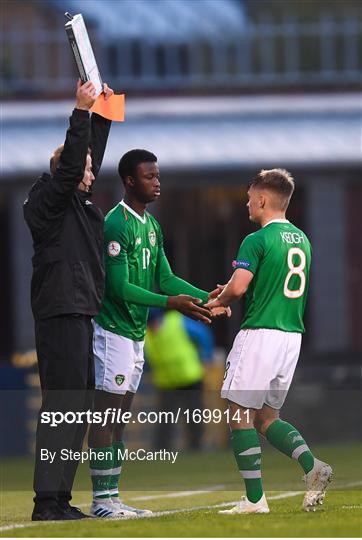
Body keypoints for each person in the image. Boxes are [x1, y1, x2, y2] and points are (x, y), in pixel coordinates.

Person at [87, 149, 228, 519]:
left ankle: (112, 497)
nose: (157, 182)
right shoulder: (117, 223)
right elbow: (118, 287)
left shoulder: (152, 225)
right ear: (130, 181)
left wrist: (208, 297)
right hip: (113, 329)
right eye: (149, 177)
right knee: (107, 415)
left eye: (158, 175)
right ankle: (101, 500)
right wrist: (170, 303)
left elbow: (164, 277)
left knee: (120, 416)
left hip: (133, 333)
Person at [206, 168, 332, 514]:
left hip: (260, 333)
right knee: (265, 418)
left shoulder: (255, 239)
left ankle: (253, 500)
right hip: (291, 337)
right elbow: (264, 281)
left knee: (238, 414)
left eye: (249, 198)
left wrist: (219, 302)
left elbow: (241, 287)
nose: (247, 203)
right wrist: (231, 286)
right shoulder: (302, 239)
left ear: (262, 199)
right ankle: (313, 467)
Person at [23, 80, 114, 521]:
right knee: (62, 408)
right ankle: (47, 502)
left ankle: (59, 500)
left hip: (77, 311)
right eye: (86, 169)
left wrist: (103, 110)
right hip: (59, 312)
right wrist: (79, 113)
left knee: (75, 410)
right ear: (68, 171)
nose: (93, 176)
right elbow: (74, 160)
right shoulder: (48, 201)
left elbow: (85, 153)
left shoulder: (76, 204)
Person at [145, 309, 214, 451]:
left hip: (190, 377)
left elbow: (203, 335)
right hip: (167, 382)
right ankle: (162, 450)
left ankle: (196, 446)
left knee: (194, 414)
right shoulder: (146, 335)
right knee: (165, 419)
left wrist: (206, 357)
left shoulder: (177, 322)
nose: (153, 327)